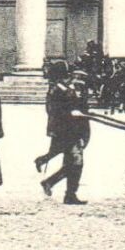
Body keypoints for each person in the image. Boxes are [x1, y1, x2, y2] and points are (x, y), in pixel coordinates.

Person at [37, 70, 91, 204]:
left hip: (74, 130)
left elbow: (79, 106)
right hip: (67, 131)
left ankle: (53, 184)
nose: (73, 79)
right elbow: (53, 111)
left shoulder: (70, 89)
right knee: (76, 163)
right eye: (72, 77)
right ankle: (69, 194)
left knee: (71, 163)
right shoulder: (57, 90)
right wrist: (71, 113)